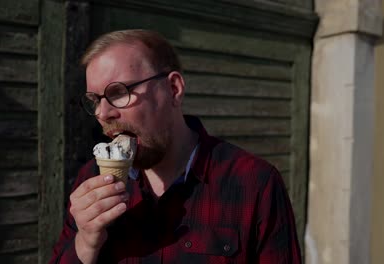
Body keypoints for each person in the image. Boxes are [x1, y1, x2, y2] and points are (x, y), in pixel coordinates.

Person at [49, 29, 301, 264]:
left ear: (173, 89)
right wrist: (84, 245)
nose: (103, 113)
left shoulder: (255, 183)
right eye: (95, 100)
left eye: (118, 92)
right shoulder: (91, 179)